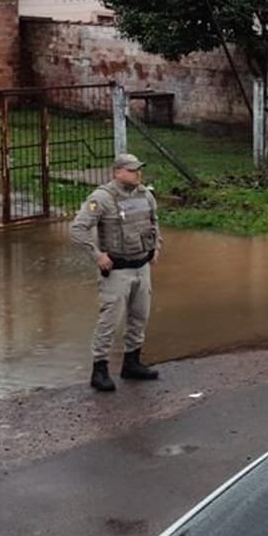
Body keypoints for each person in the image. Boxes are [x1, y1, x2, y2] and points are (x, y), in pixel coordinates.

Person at [70, 153, 162, 392]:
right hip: (117, 271)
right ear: (117, 172)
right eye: (132, 170)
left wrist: (156, 247)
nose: (137, 174)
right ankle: (99, 369)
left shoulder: (145, 194)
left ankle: (132, 363)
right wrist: (97, 255)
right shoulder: (102, 198)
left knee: (139, 317)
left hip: (142, 267)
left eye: (138, 170)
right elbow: (78, 229)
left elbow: (154, 222)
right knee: (109, 320)